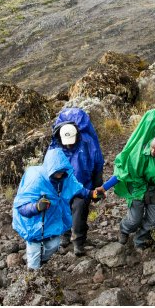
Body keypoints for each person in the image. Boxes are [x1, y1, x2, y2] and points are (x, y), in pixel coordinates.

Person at [96, 108, 155, 249]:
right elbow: (122, 173)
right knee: (134, 220)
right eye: (152, 148)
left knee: (153, 221)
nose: (153, 152)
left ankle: (140, 240)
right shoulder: (138, 155)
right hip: (138, 188)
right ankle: (124, 230)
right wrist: (104, 187)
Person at [46, 107, 105, 255]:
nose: (68, 145)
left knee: (80, 212)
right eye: (65, 142)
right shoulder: (54, 146)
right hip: (61, 187)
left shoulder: (88, 143)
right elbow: (47, 168)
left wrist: (97, 184)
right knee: (63, 211)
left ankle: (78, 242)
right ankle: (65, 237)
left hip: (83, 186)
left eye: (70, 142)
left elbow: (98, 163)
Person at [13, 148, 81, 269]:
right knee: (34, 256)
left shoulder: (64, 179)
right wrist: (37, 207)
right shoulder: (36, 179)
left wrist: (92, 194)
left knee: (54, 245)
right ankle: (32, 277)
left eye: (62, 171)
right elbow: (22, 207)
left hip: (50, 222)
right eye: (58, 171)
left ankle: (41, 263)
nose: (60, 174)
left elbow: (78, 189)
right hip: (34, 225)